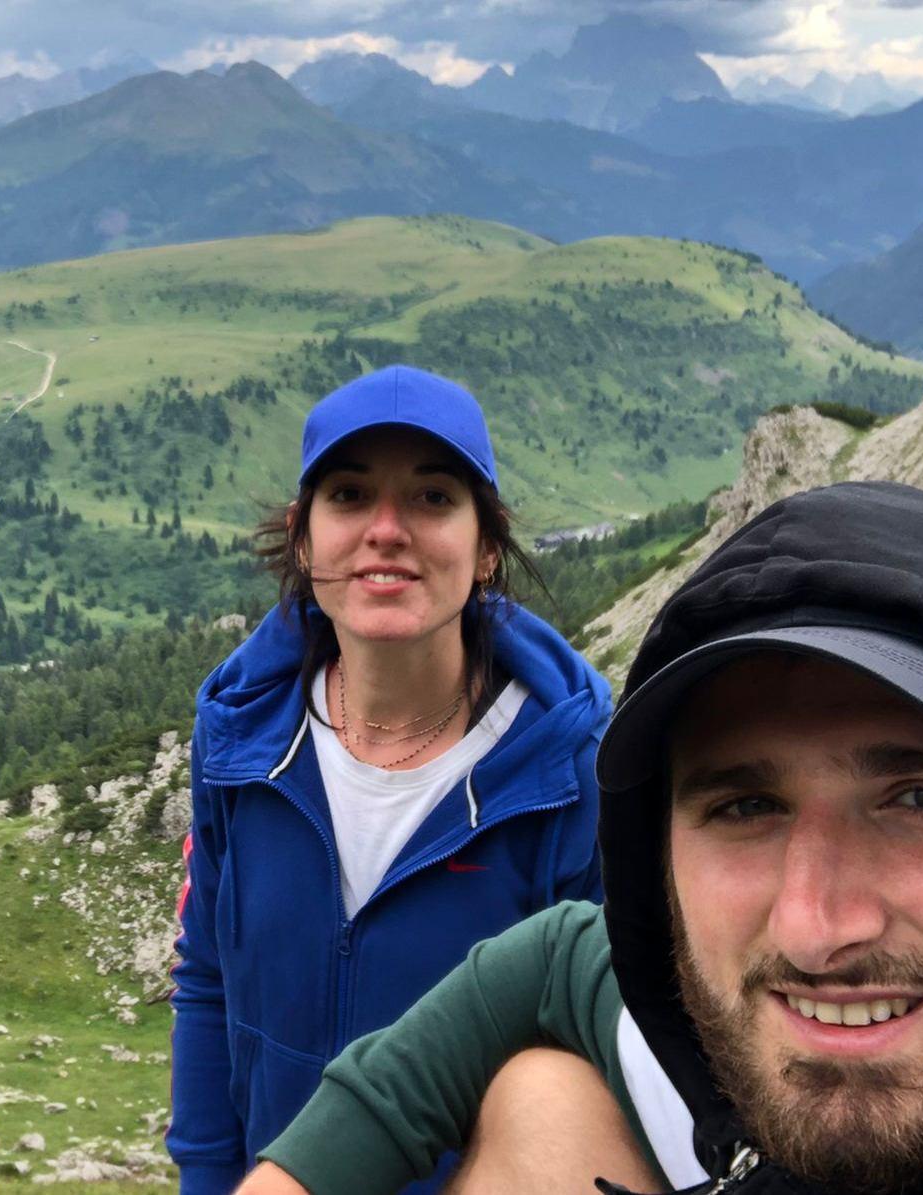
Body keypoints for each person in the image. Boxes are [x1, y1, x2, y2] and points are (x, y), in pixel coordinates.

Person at [245, 481, 923, 1194]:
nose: (813, 927)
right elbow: (561, 955)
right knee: (543, 1096)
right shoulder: (694, 1007)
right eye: (745, 808)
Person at [166, 365, 615, 1194]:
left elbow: (595, 1062)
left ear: (487, 547)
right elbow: (207, 978)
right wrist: (205, 1177)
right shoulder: (240, 739)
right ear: (303, 540)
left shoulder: (568, 771)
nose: (386, 530)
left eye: (432, 498)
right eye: (349, 495)